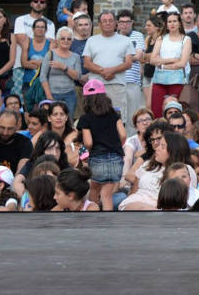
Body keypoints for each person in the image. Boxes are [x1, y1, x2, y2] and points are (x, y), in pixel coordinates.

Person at [77, 80, 126, 211]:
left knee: (95, 188)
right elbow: (123, 135)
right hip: (116, 159)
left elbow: (88, 142)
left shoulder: (85, 119)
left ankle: (92, 215)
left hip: (97, 158)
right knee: (107, 194)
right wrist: (116, 146)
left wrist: (86, 152)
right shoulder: (114, 114)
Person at [82, 11, 134, 124]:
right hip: (95, 86)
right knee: (95, 118)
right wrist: (103, 71)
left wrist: (112, 70)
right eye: (104, 21)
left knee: (117, 119)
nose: (107, 23)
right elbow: (87, 63)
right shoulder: (91, 40)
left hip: (117, 85)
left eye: (110, 21)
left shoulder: (126, 41)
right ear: (99, 24)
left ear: (116, 23)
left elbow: (128, 63)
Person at [149, 13, 192, 118]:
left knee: (175, 110)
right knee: (157, 111)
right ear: (166, 24)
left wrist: (163, 65)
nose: (172, 24)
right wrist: (171, 60)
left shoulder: (186, 39)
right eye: (169, 21)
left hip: (177, 80)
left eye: (174, 21)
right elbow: (152, 60)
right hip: (159, 80)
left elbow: (182, 63)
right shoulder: (161, 38)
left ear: (179, 24)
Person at [39, 27, 82, 114]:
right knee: (53, 120)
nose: (66, 41)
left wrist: (63, 67)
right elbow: (43, 77)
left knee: (68, 121)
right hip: (52, 94)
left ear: (72, 41)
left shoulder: (76, 57)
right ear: (57, 40)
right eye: (62, 38)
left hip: (70, 94)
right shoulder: (50, 54)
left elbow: (78, 76)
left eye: (69, 39)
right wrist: (49, 95)